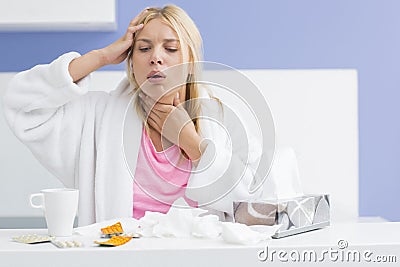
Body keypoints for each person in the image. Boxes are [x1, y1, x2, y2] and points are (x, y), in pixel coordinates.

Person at [3, 5, 263, 226]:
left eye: (170, 49)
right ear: (129, 60)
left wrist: (194, 145)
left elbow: (251, 205)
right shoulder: (97, 118)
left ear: (191, 62)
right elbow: (19, 102)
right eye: (143, 49)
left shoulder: (224, 120)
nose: (156, 58)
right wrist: (100, 57)